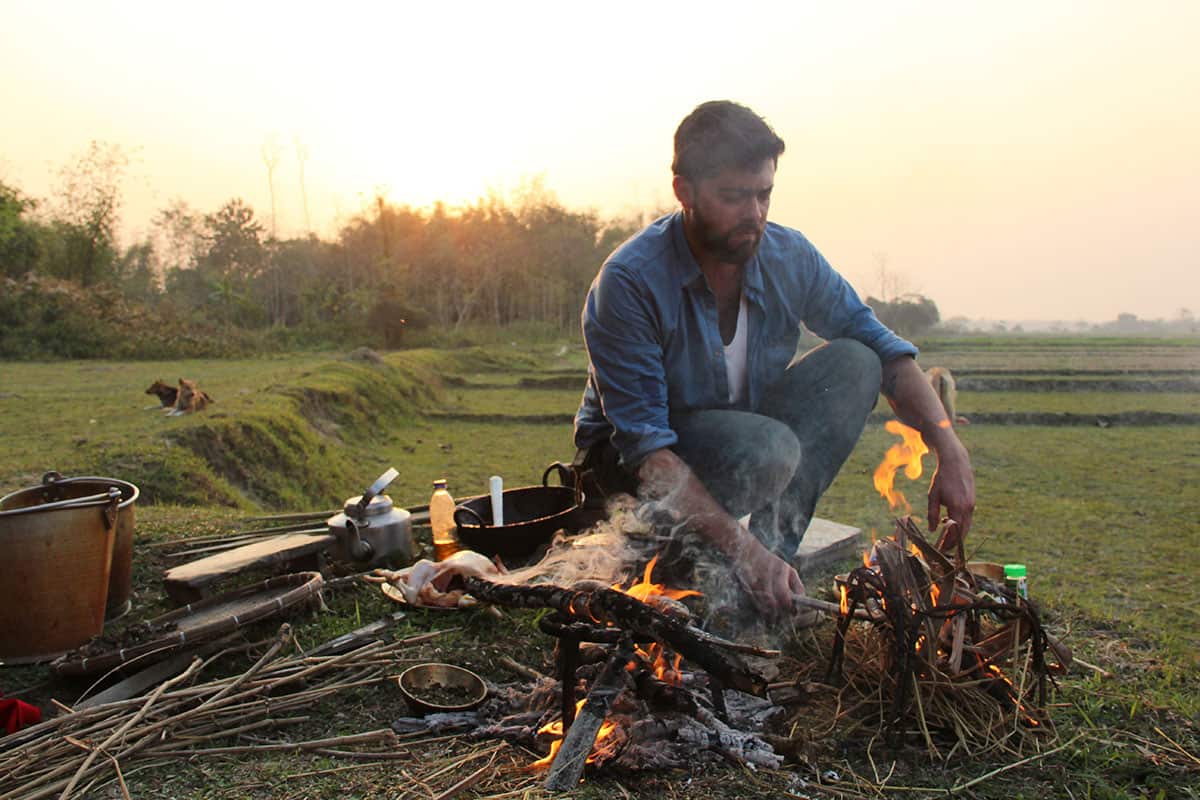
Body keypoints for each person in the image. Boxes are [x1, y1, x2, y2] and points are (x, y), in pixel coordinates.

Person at [573, 100, 975, 620]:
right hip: (626, 466)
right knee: (767, 446)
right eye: (734, 197)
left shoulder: (789, 256)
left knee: (855, 362)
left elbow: (885, 351)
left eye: (763, 195)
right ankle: (710, 563)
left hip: (740, 444)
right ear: (684, 192)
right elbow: (648, 452)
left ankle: (770, 568)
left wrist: (949, 446)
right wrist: (742, 551)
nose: (754, 214)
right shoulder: (630, 282)